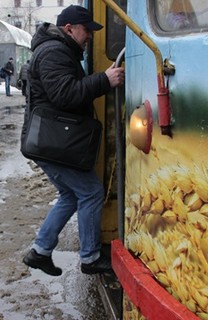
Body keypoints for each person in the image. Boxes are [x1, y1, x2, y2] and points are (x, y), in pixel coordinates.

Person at [21, 5, 125, 276]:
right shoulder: (54, 52)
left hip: (48, 142)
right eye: (86, 30)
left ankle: (40, 251)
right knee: (90, 192)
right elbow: (64, 95)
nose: (89, 36)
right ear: (69, 29)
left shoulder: (58, 49)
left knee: (70, 194)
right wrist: (104, 79)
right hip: (53, 142)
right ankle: (90, 258)